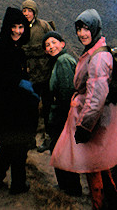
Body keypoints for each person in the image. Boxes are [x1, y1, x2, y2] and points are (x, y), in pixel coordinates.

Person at [50, 9, 117, 209]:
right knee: (101, 163)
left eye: (86, 29)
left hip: (94, 120)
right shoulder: (96, 50)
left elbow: (96, 97)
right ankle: (115, 200)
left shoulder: (98, 57)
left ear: (95, 29)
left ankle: (98, 205)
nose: (82, 33)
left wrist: (85, 126)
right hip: (99, 118)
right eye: (79, 29)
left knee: (93, 166)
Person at [0, 7, 40, 195]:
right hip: (9, 107)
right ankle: (17, 185)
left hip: (16, 106)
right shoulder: (0, 48)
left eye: (21, 27)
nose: (17, 31)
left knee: (9, 146)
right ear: (7, 27)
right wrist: (21, 83)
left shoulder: (17, 49)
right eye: (14, 27)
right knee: (18, 147)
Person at [43, 31, 82, 196]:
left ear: (62, 44)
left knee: (61, 150)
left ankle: (70, 188)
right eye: (47, 45)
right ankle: (69, 186)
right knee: (62, 150)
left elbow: (67, 92)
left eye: (53, 42)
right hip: (63, 115)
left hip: (63, 115)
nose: (51, 47)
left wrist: (64, 119)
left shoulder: (63, 61)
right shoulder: (59, 61)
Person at [21, 0, 54, 149]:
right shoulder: (20, 28)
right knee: (31, 108)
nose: (27, 13)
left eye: (29, 10)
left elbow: (53, 43)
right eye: (24, 10)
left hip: (45, 74)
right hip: (30, 76)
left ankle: (49, 138)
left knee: (48, 107)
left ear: (35, 12)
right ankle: (30, 139)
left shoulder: (43, 25)